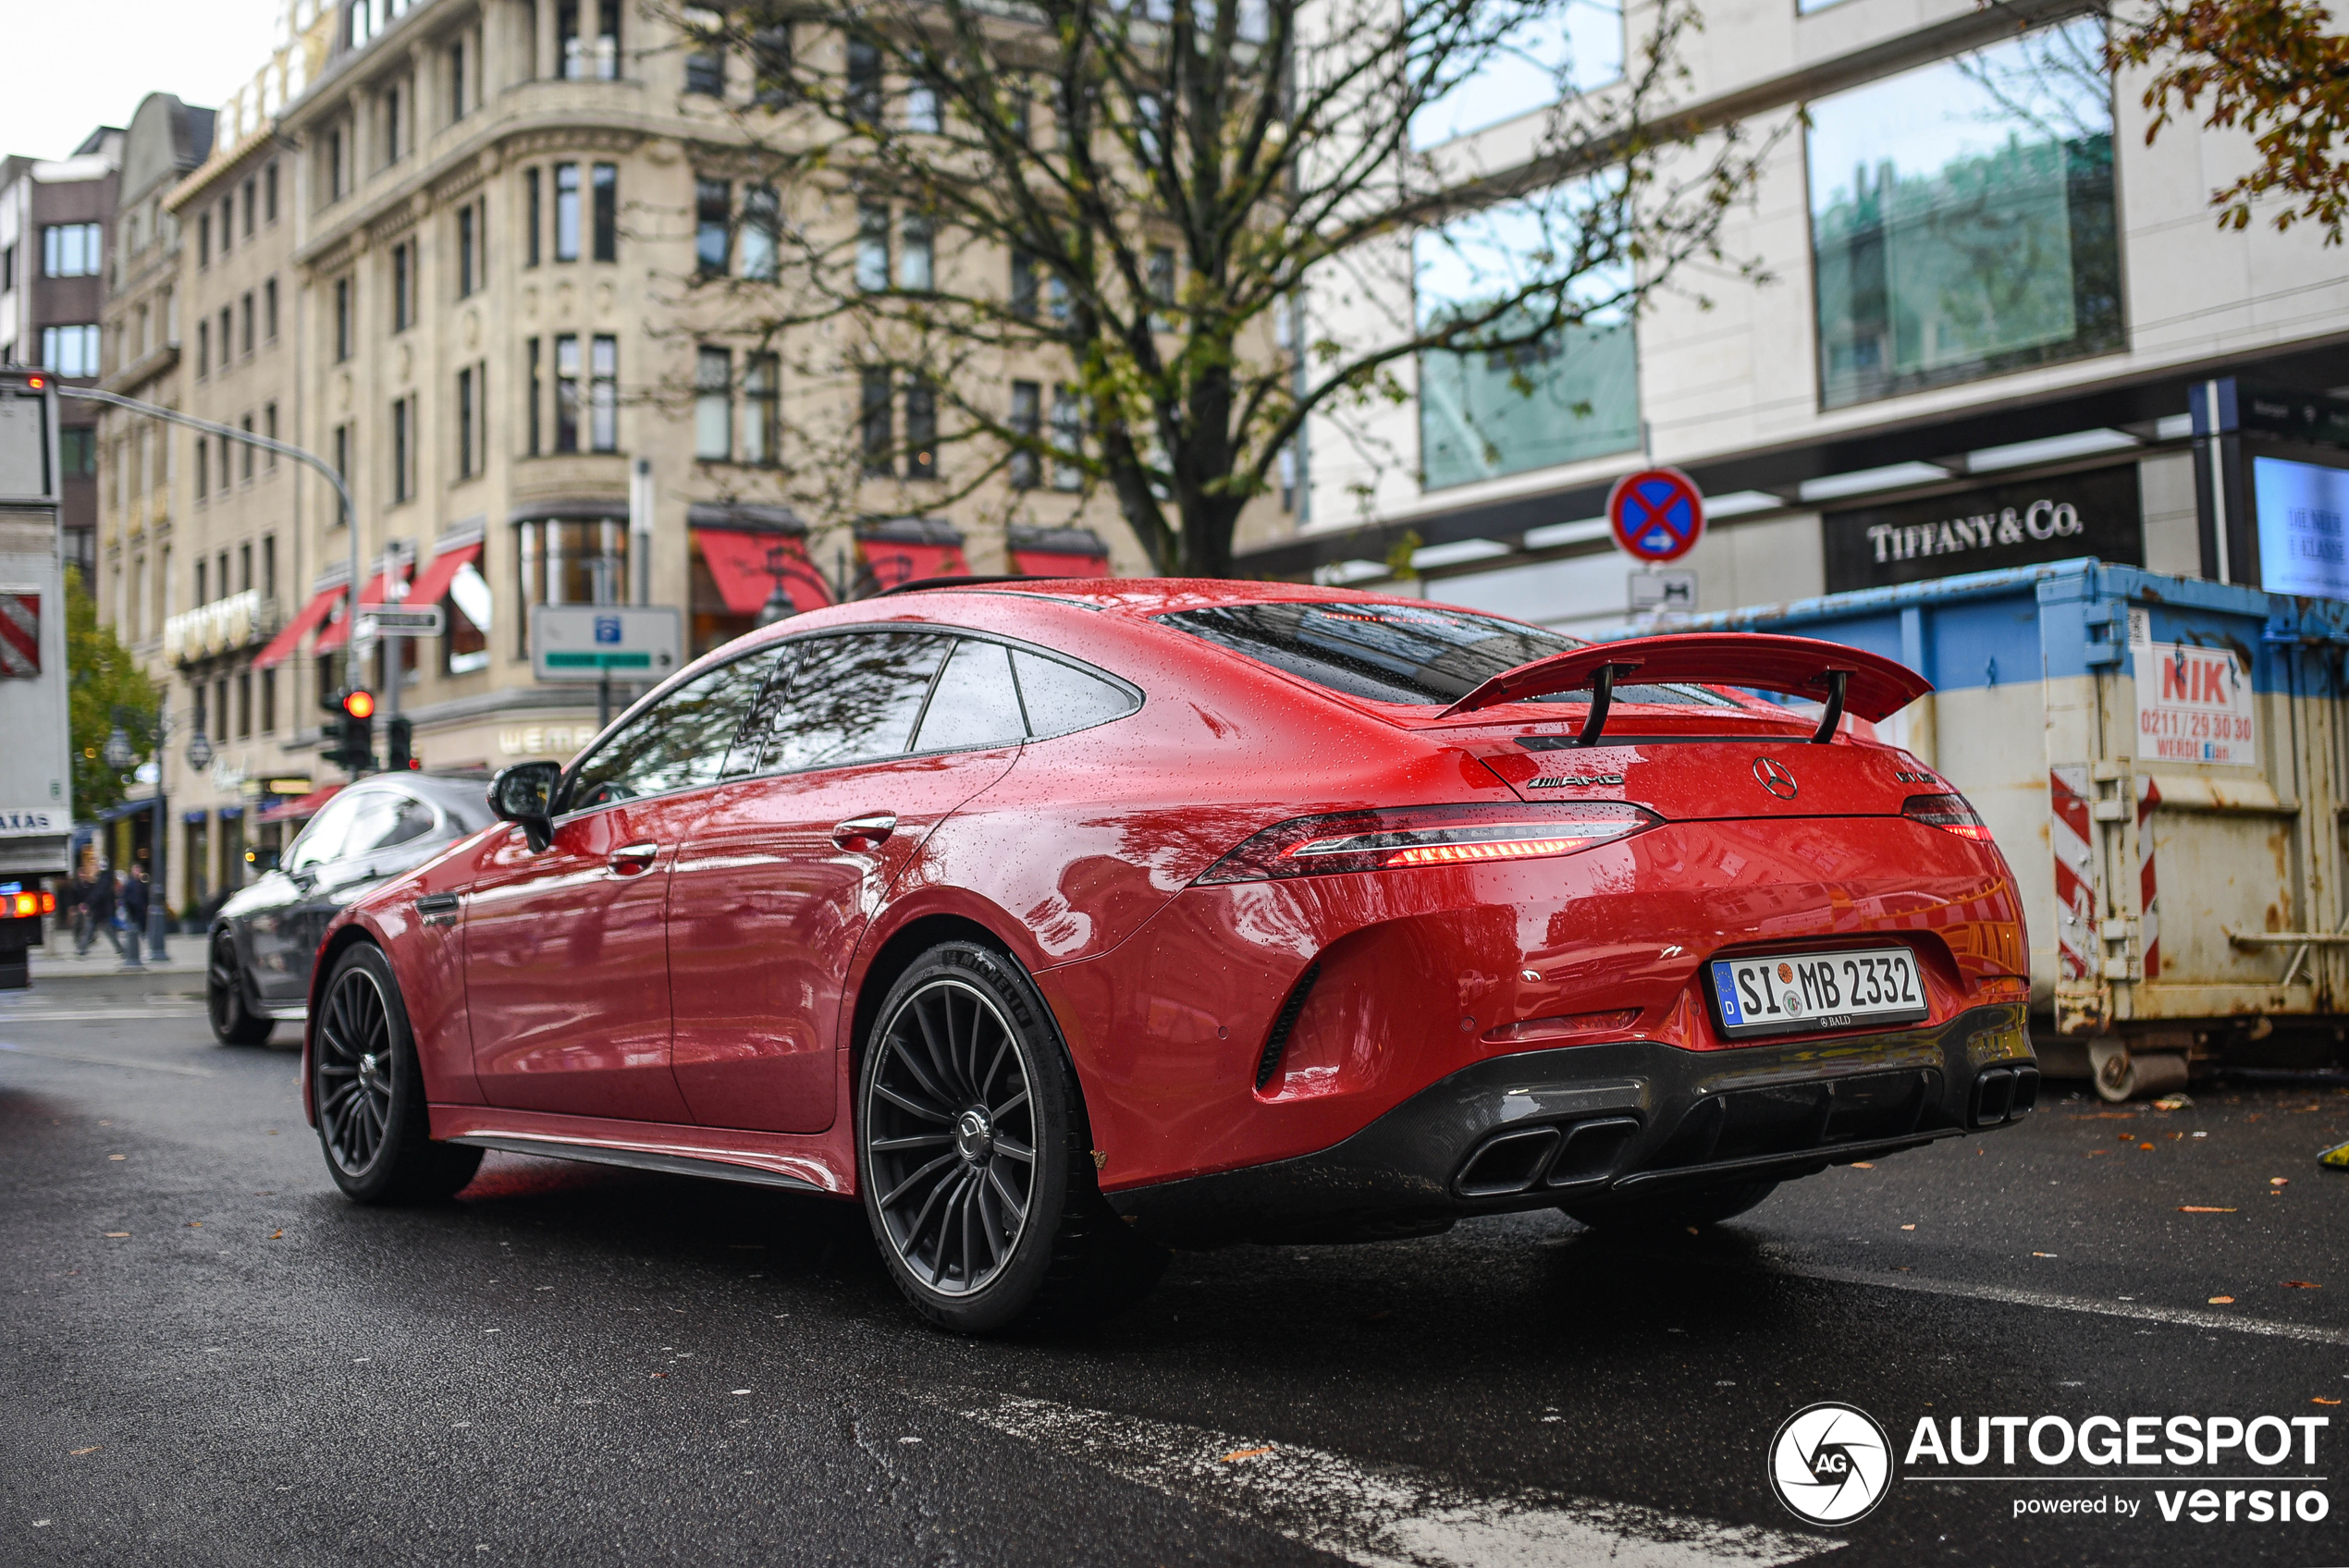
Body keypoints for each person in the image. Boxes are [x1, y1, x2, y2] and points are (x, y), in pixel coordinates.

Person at [78, 866, 118, 958]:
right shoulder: (107, 882)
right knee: (108, 931)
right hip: (102, 911)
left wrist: (88, 903)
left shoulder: (102, 882)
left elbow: (97, 895)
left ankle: (81, 949)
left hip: (98, 911)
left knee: (89, 930)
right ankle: (119, 948)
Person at [119, 865, 149, 968]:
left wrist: (145, 906)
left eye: (138, 870)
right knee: (131, 931)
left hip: (140, 911)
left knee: (142, 931)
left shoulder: (142, 884)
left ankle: (141, 950)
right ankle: (132, 951)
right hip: (132, 911)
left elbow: (146, 896)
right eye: (135, 870)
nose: (137, 872)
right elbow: (125, 897)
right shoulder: (129, 884)